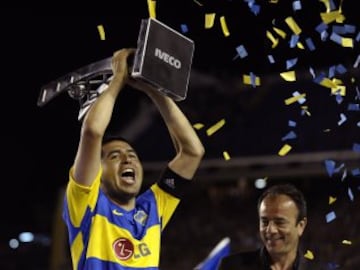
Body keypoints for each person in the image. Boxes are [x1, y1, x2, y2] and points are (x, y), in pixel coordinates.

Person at [62, 48, 205, 269]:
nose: (127, 160)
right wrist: (117, 79)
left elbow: (192, 152)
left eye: (131, 155)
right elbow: (92, 132)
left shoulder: (153, 209)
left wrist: (155, 91)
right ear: (97, 171)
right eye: (115, 156)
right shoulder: (86, 204)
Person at [218, 183, 309, 270]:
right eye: (265, 222)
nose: (270, 230)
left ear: (301, 226)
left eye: (280, 222)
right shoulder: (232, 267)